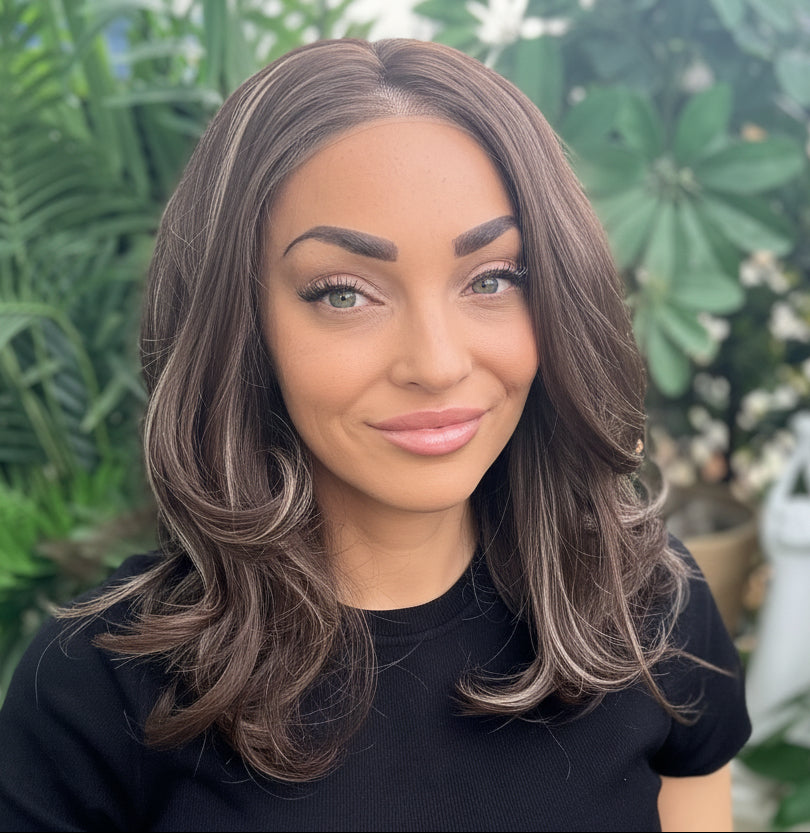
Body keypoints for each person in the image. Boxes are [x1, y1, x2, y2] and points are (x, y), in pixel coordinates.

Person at [0, 38, 750, 832]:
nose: (436, 363)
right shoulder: (97, 687)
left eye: (493, 278)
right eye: (343, 294)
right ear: (240, 324)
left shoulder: (646, 603)